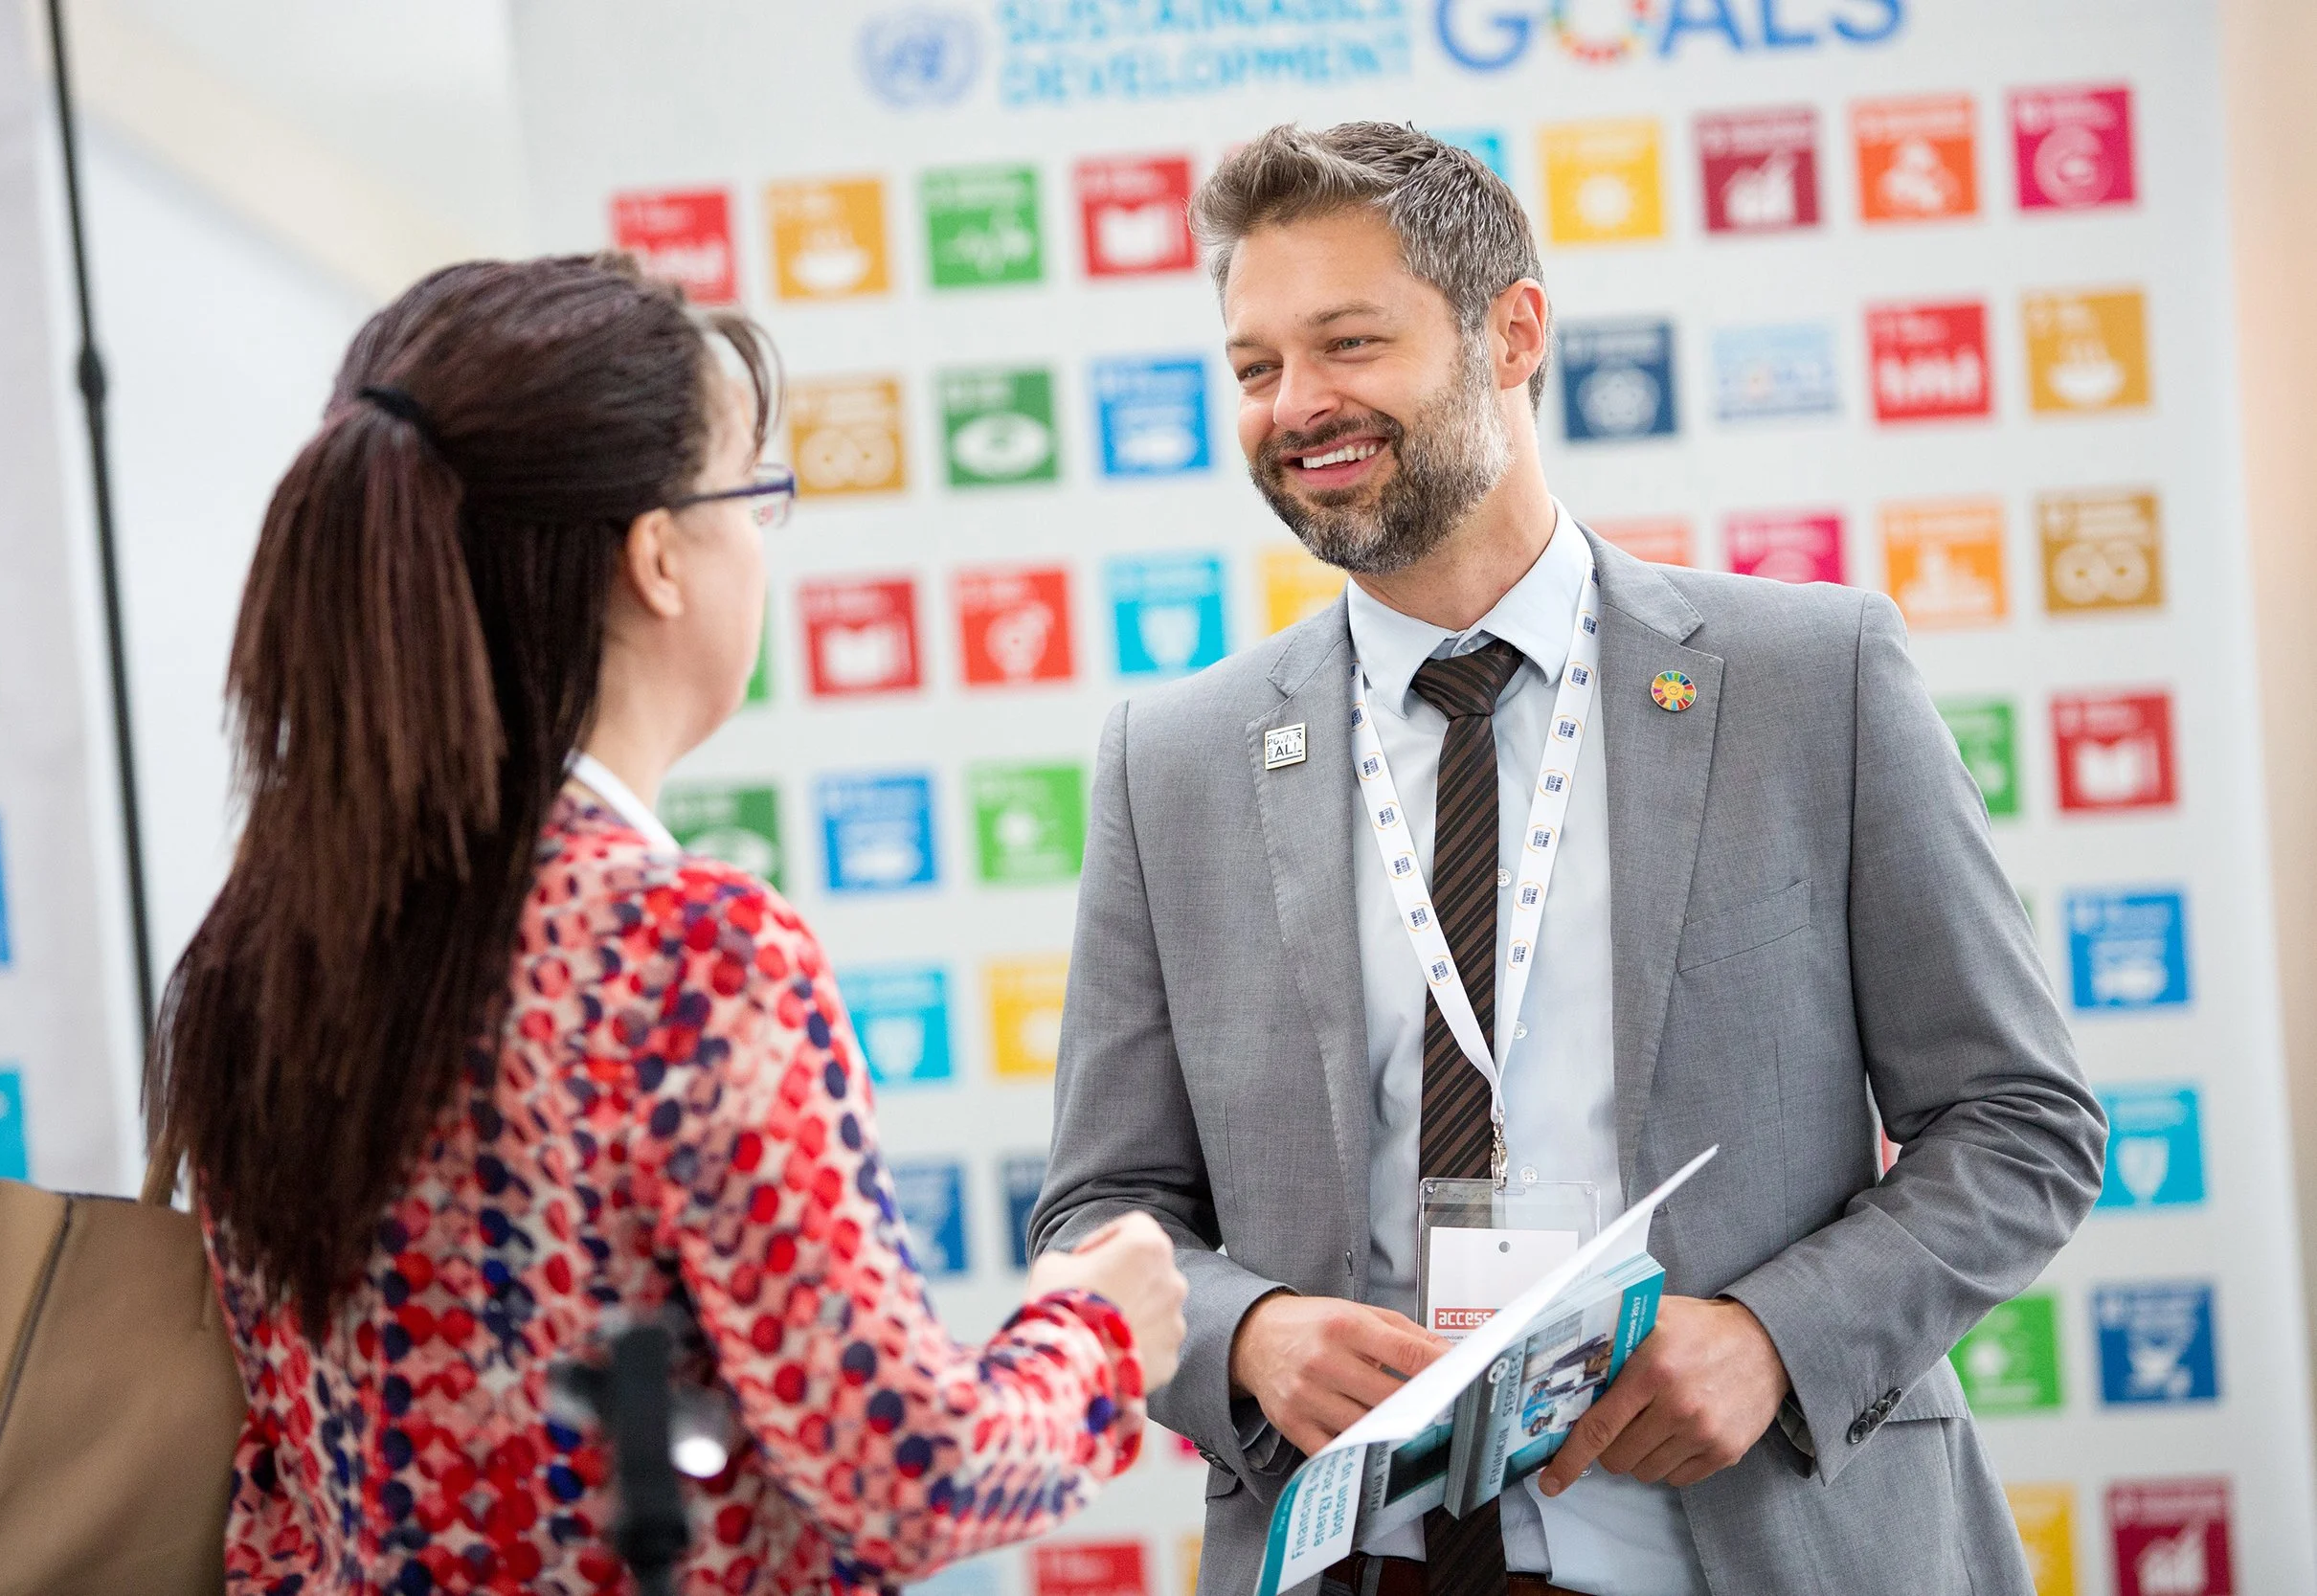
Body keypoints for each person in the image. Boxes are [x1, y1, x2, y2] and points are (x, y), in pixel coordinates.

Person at [1030, 124, 2105, 1596]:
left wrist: (1776, 1339)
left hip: (1761, 1542)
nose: (1300, 406)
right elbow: (1101, 1210)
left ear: (1512, 331)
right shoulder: (1176, 760)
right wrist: (1250, 1332)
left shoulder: (1810, 682)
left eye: (1350, 342)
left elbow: (2019, 1118)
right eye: (1257, 366)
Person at [147, 254, 1187, 1596]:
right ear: (656, 555)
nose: (764, 542)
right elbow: (908, 1470)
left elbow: (280, 1504)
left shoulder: (260, 950)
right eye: (756, 494)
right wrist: (1099, 1332)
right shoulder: (687, 951)